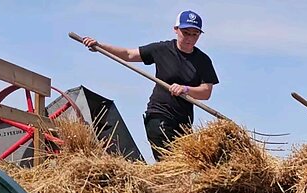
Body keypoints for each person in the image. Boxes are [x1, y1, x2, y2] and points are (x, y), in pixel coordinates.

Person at [82, 11, 219, 161]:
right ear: (176, 29)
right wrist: (99, 46)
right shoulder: (162, 49)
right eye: (186, 33)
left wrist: (185, 89)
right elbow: (128, 54)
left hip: (183, 123)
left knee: (186, 165)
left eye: (195, 34)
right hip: (159, 115)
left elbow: (206, 92)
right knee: (170, 161)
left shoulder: (203, 60)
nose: (189, 38)